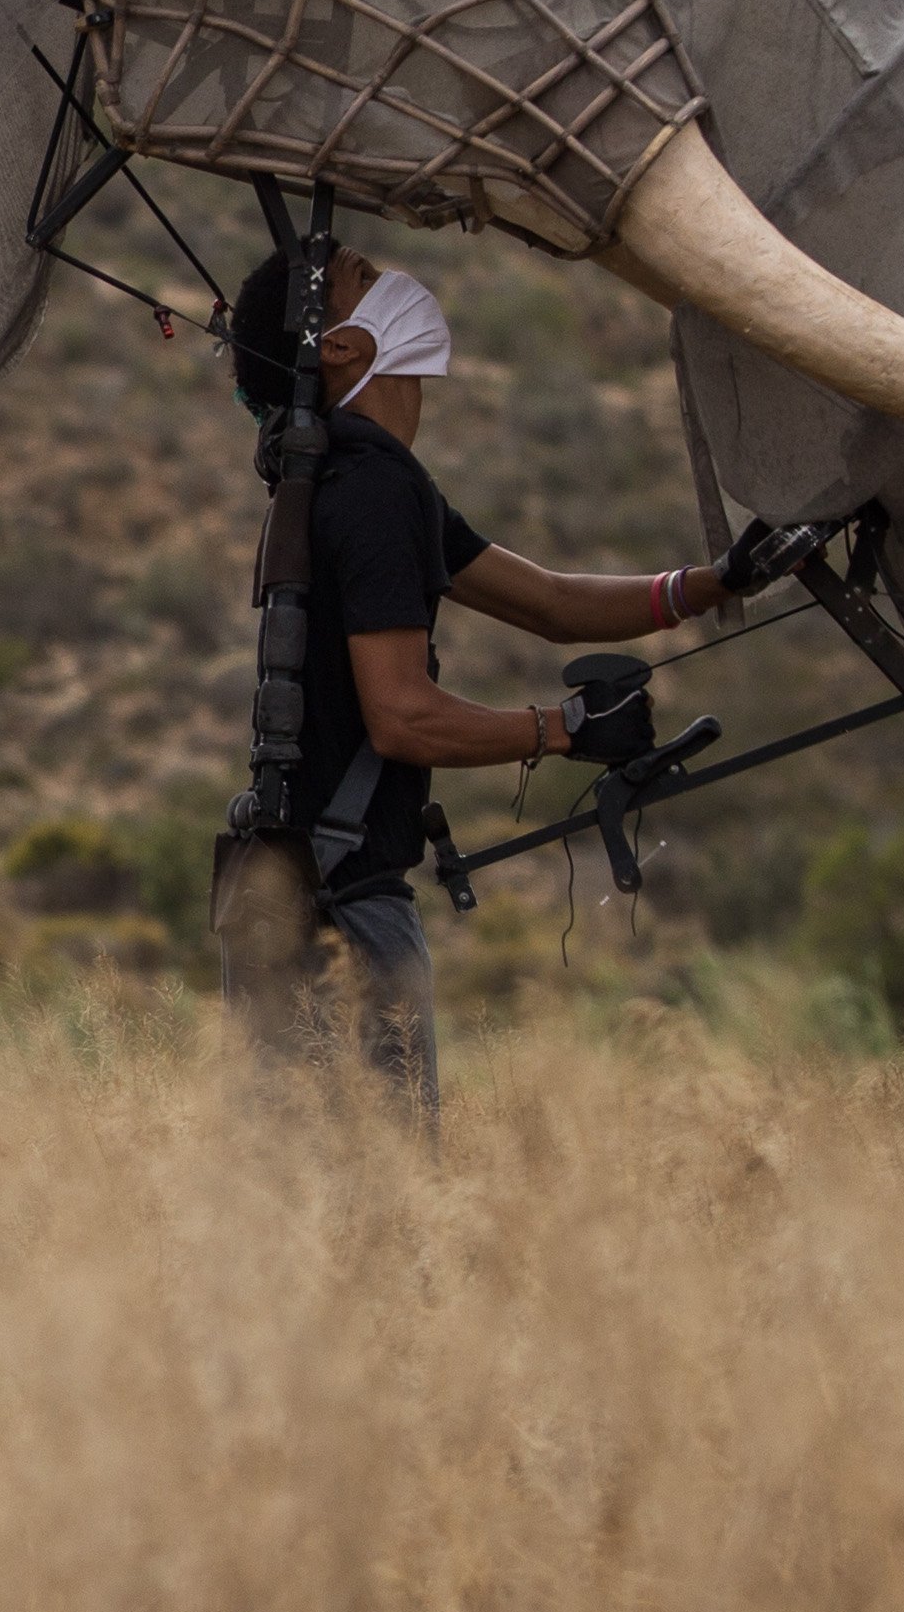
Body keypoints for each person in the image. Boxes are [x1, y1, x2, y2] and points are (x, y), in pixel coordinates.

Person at [214, 246, 827, 1113]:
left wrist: (713, 584)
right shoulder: (373, 488)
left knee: (303, 1192)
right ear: (342, 346)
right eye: (364, 274)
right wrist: (562, 729)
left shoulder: (350, 477)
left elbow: (550, 602)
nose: (395, 277)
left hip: (288, 901)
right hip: (344, 917)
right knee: (386, 1190)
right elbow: (400, 716)